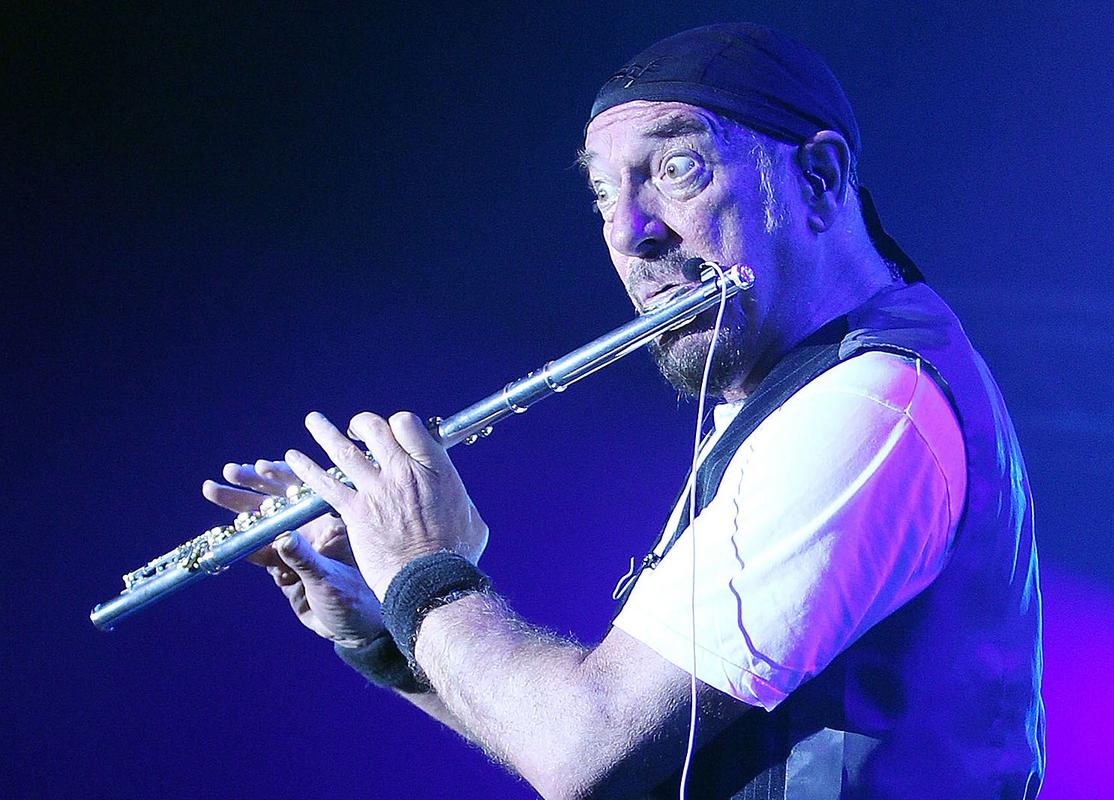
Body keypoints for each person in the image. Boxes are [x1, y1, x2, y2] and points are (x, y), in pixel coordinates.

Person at [203, 23, 1045, 799]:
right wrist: (388, 633)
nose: (631, 233)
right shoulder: (792, 393)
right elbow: (608, 756)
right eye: (605, 194)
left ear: (817, 180)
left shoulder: (869, 406)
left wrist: (423, 567)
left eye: (678, 168)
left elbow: (583, 745)